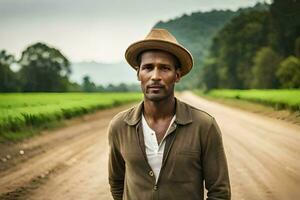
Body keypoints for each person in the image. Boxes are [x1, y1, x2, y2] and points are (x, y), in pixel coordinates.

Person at [108, 28, 231, 200]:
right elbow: (117, 182)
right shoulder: (120, 125)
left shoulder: (203, 125)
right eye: (148, 68)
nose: (155, 76)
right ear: (138, 74)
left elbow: (219, 192)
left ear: (177, 75)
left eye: (164, 68)